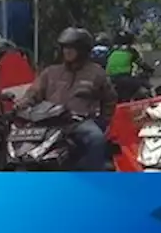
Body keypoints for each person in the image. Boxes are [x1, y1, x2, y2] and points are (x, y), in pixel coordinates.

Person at [15, 28, 117, 171]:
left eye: (72, 48)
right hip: (48, 121)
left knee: (97, 139)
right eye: (65, 47)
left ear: (82, 50)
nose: (67, 52)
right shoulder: (51, 72)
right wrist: (21, 106)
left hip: (78, 122)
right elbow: (33, 93)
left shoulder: (96, 73)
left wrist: (103, 121)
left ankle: (93, 181)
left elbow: (110, 99)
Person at [105, 30, 151, 101]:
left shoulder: (111, 50)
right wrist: (149, 69)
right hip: (125, 79)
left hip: (110, 79)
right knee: (144, 88)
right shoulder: (131, 51)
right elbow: (141, 64)